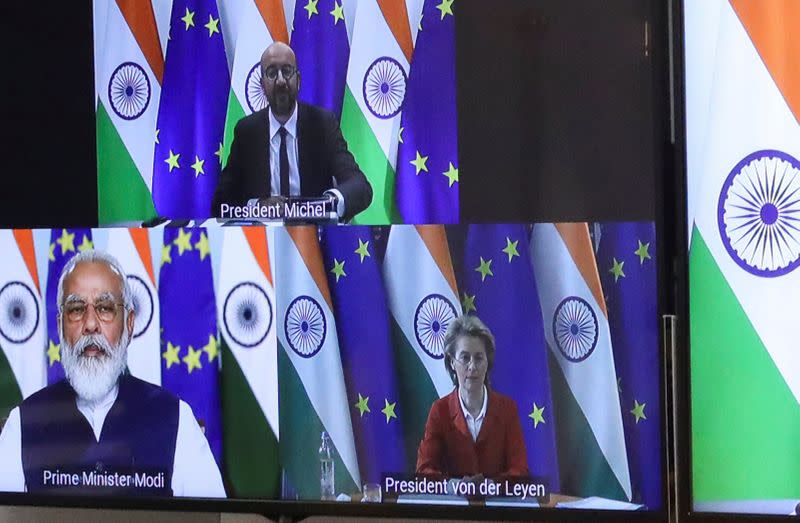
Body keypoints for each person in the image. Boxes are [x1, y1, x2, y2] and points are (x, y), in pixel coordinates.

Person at [0, 250, 225, 497]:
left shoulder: (175, 417)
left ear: (129, 324)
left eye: (105, 308)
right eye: (76, 309)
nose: (90, 324)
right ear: (60, 325)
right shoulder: (22, 423)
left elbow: (213, 516)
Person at [211, 42, 372, 221]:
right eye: (272, 73)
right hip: (263, 242)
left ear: (299, 80)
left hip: (312, 239)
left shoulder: (322, 124)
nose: (280, 81)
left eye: (287, 71)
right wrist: (257, 207)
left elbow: (360, 187)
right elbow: (220, 204)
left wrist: (326, 203)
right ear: (263, 85)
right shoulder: (247, 132)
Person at [416, 315, 529, 481]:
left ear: (487, 362)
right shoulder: (440, 411)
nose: (472, 366)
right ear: (452, 362)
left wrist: (489, 486)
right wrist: (457, 486)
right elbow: (424, 470)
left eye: (479, 358)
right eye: (465, 358)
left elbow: (520, 471)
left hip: (497, 505)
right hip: (453, 504)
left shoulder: (507, 409)